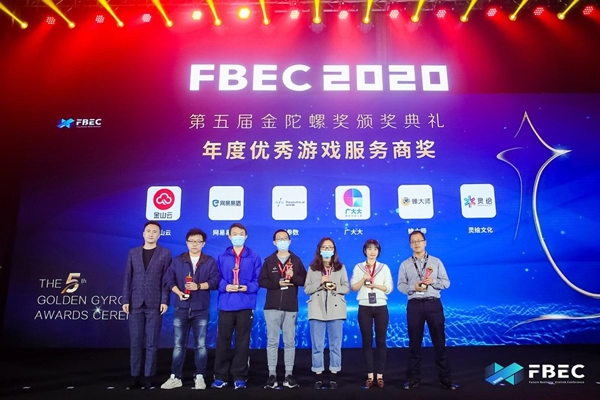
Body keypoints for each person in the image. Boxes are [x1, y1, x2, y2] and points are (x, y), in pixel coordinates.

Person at [397, 230, 458, 390]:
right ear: (410, 245)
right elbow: (401, 286)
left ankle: (445, 379)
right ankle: (413, 379)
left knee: (439, 343)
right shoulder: (405, 264)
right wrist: (413, 287)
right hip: (415, 306)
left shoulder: (436, 262)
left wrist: (433, 282)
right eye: (413, 241)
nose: (416, 244)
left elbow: (446, 283)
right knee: (414, 344)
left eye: (419, 241)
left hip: (433, 304)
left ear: (425, 242)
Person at [160, 228, 220, 390]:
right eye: (192, 241)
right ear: (187, 243)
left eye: (198, 241)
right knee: (178, 345)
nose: (195, 244)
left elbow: (215, 282)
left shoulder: (209, 261)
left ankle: (200, 376)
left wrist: (198, 286)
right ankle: (175, 377)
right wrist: (178, 292)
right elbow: (168, 280)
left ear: (203, 244)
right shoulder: (178, 260)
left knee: (200, 345)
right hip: (181, 307)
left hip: (201, 308)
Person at [122, 221, 172, 390]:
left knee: (151, 343)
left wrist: (164, 300)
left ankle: (148, 378)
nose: (151, 234)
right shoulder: (133, 252)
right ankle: (135, 377)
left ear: (159, 235)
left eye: (154, 231)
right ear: (143, 233)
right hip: (135, 302)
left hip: (155, 303)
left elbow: (166, 280)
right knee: (135, 342)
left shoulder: (165, 253)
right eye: (148, 231)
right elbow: (128, 277)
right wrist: (125, 300)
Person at [212, 223, 262, 389]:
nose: (238, 236)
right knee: (223, 341)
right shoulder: (221, 257)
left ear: (246, 236)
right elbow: (216, 277)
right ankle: (220, 376)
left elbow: (258, 280)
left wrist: (246, 287)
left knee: (242, 341)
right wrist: (225, 286)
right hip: (226, 304)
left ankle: (240, 376)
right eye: (234, 234)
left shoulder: (254, 257)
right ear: (229, 236)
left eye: (241, 234)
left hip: (245, 304)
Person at [259, 229, 307, 389]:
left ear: (290, 241)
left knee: (289, 342)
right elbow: (262, 281)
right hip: (271, 307)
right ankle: (272, 375)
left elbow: (304, 281)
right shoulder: (269, 260)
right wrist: (277, 283)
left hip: (290, 307)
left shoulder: (296, 260)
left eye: (285, 238)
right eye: (279, 239)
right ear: (274, 242)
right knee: (272, 342)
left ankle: (288, 375)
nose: (282, 241)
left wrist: (292, 276)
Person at [304, 237, 350, 390]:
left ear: (334, 250)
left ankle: (333, 376)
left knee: (335, 345)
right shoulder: (312, 268)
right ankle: (318, 376)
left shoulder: (340, 268)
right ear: (319, 249)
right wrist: (320, 282)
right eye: (324, 247)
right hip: (316, 309)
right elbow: (307, 289)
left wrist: (334, 286)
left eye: (330, 247)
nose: (327, 250)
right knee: (317, 345)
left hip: (336, 309)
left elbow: (346, 288)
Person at [350, 239, 393, 389]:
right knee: (367, 341)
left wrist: (375, 285)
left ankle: (380, 375)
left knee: (381, 341)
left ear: (378, 251)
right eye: (369, 249)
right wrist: (364, 279)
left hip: (381, 306)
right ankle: (370, 375)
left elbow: (389, 288)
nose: (372, 252)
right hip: (364, 307)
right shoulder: (358, 267)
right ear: (365, 251)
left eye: (375, 249)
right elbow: (353, 287)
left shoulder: (384, 267)